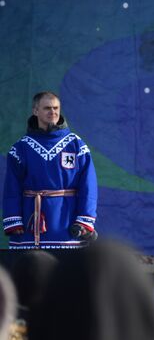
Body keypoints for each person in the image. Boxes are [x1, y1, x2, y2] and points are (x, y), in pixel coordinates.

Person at [2, 91, 98, 249]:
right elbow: (12, 187)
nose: (52, 112)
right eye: (47, 108)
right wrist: (13, 219)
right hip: (29, 224)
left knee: (67, 273)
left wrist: (85, 220)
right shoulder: (21, 147)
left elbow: (88, 185)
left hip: (67, 225)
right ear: (35, 111)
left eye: (56, 108)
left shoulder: (76, 145)